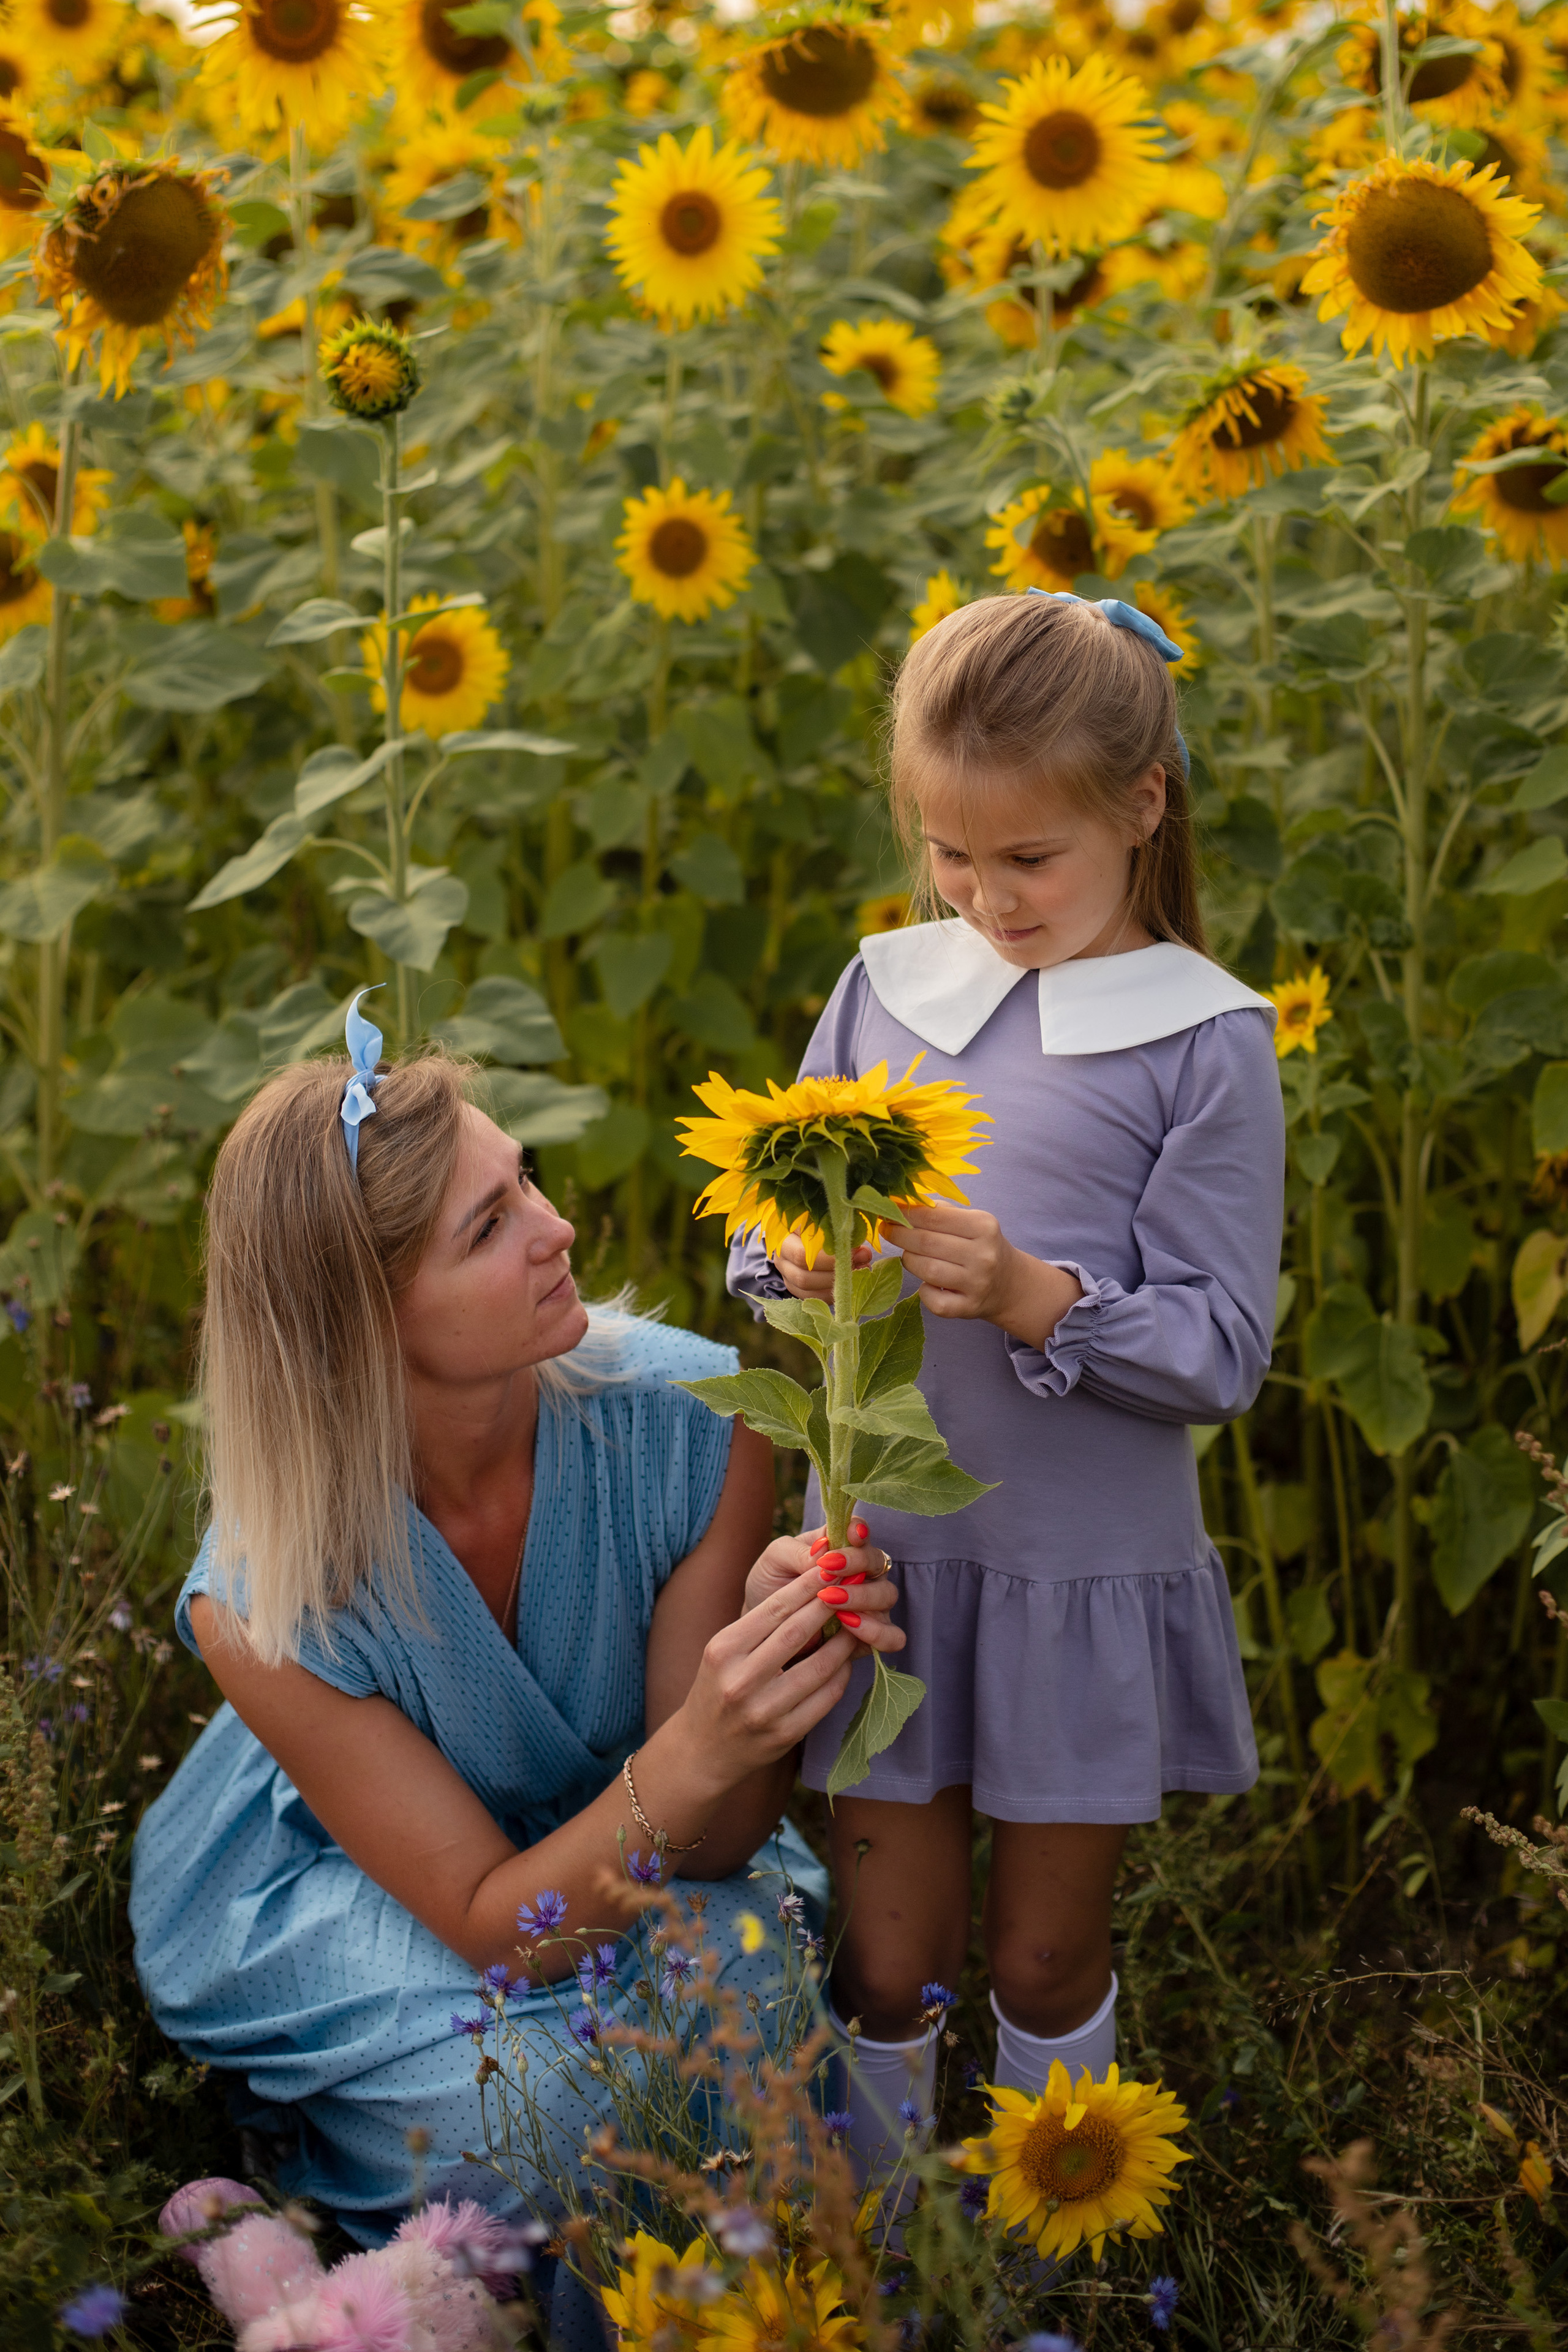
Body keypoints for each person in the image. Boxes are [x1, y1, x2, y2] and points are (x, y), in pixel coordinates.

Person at [130, 1003, 901, 2343]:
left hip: (645, 1848)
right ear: (357, 1325)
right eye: (487, 1229)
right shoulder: (263, 1598)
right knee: (546, 2107)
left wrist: (756, 1704)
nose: (559, 1231)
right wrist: (698, 1746)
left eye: (522, 1182)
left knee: (752, 1993)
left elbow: (714, 1844)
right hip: (365, 1879)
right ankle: (312, 2182)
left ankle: (448, 2272)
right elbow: (496, 1925)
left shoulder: (696, 1429)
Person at [728, 589, 1284, 2177]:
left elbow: (1220, 1351)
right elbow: (769, 1225)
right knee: (889, 1962)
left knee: (1042, 1960)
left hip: (1074, 1576)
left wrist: (1039, 1298)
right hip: (891, 1569)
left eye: (1027, 859)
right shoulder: (892, 982)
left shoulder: (1205, 1040)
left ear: (1142, 803)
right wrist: (805, 1262)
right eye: (951, 854)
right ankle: (887, 2260)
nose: (984, 896)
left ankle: (1062, 2243)